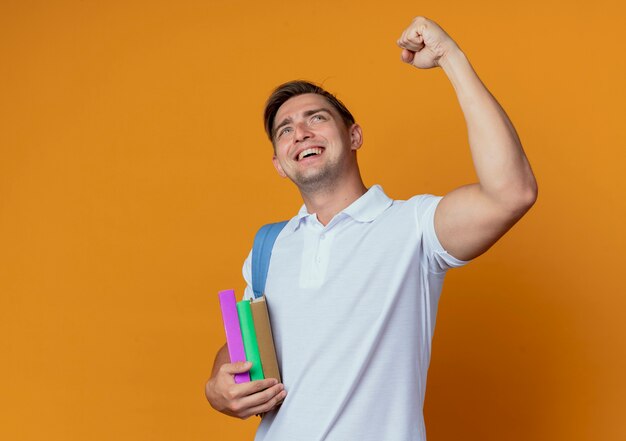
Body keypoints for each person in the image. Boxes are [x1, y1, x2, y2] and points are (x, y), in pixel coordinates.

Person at [205, 16, 537, 441]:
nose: (300, 133)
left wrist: (451, 59)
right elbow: (241, 348)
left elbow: (512, 193)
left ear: (355, 135)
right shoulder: (268, 247)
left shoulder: (413, 228)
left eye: (316, 118)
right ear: (279, 163)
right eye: (285, 130)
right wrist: (217, 385)